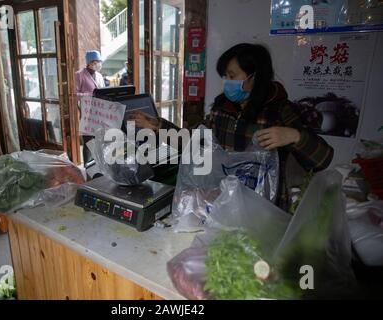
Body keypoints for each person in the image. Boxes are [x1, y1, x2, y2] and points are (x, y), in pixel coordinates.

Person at [128, 43, 334, 210]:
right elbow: (194, 143)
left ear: (255, 76)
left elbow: (322, 159)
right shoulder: (222, 109)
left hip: (263, 208)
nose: (227, 82)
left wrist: (295, 136)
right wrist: (158, 126)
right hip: (220, 203)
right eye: (225, 76)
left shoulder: (280, 111)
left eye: (232, 76)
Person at [75, 50, 105, 167]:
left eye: (99, 61)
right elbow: (74, 94)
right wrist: (89, 95)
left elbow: (103, 91)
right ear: (90, 62)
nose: (99, 64)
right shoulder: (79, 75)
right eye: (97, 61)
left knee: (99, 142)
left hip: (100, 112)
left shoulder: (99, 76)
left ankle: (99, 167)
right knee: (88, 142)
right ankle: (87, 167)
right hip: (87, 113)